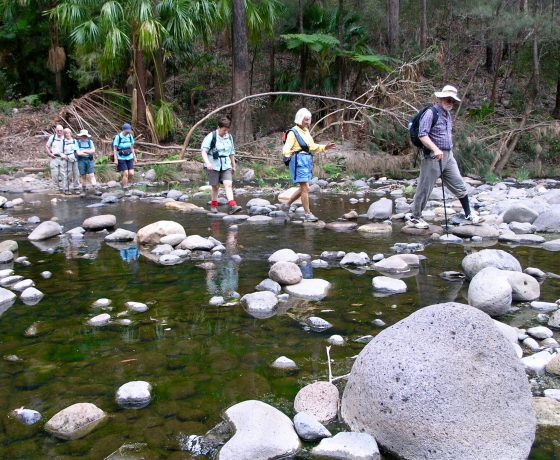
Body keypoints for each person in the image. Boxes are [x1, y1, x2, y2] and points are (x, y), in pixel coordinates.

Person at [405, 85, 482, 229]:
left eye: (452, 100)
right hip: (433, 156)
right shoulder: (430, 113)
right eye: (448, 99)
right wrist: (435, 149)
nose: (450, 102)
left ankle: (468, 214)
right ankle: (415, 217)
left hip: (448, 155)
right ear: (440, 98)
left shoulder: (448, 114)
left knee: (459, 184)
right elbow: (422, 135)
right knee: (425, 187)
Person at [282, 108, 335, 222]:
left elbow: (311, 147)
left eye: (309, 120)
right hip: (298, 161)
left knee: (304, 188)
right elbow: (286, 148)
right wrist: (287, 153)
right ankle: (307, 214)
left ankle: (287, 205)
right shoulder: (292, 132)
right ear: (300, 119)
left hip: (306, 161)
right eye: (306, 120)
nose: (308, 122)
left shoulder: (306, 131)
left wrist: (324, 147)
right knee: (305, 187)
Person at [200, 116, 242, 214]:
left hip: (226, 164)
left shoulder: (229, 137)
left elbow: (231, 152)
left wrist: (233, 165)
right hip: (213, 165)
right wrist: (207, 163)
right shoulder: (211, 136)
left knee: (228, 184)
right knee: (215, 187)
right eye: (224, 130)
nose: (226, 132)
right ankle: (214, 205)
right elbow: (203, 151)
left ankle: (233, 205)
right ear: (219, 127)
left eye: (227, 130)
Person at [113, 123, 137, 189]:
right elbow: (115, 149)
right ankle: (125, 187)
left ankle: (124, 182)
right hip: (121, 157)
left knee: (131, 173)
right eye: (127, 131)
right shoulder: (118, 137)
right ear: (123, 130)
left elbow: (132, 147)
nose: (128, 132)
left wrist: (135, 157)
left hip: (130, 156)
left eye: (129, 131)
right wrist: (116, 159)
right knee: (126, 173)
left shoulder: (130, 136)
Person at [75, 129, 98, 196]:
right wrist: (88, 151)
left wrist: (83, 151)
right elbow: (78, 153)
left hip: (89, 160)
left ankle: (95, 189)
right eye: (83, 136)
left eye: (85, 136)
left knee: (92, 175)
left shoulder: (90, 142)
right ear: (80, 136)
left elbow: (93, 151)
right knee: (83, 176)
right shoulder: (77, 142)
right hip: (81, 161)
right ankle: (83, 190)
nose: (84, 137)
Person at [45, 124, 65, 192]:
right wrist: (50, 154)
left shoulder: (65, 138)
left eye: (61, 130)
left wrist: (66, 156)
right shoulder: (52, 137)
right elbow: (47, 146)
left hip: (63, 159)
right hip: (54, 158)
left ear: (62, 131)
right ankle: (56, 188)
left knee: (64, 174)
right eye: (58, 130)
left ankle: (65, 188)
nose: (59, 132)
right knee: (54, 174)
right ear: (56, 130)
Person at [61, 128, 80, 194]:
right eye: (65, 133)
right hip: (67, 159)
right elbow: (60, 151)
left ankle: (76, 188)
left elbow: (78, 150)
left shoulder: (75, 141)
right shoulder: (63, 142)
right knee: (68, 174)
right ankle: (66, 189)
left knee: (76, 173)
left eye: (68, 133)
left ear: (70, 133)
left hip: (75, 159)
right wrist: (63, 156)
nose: (67, 134)